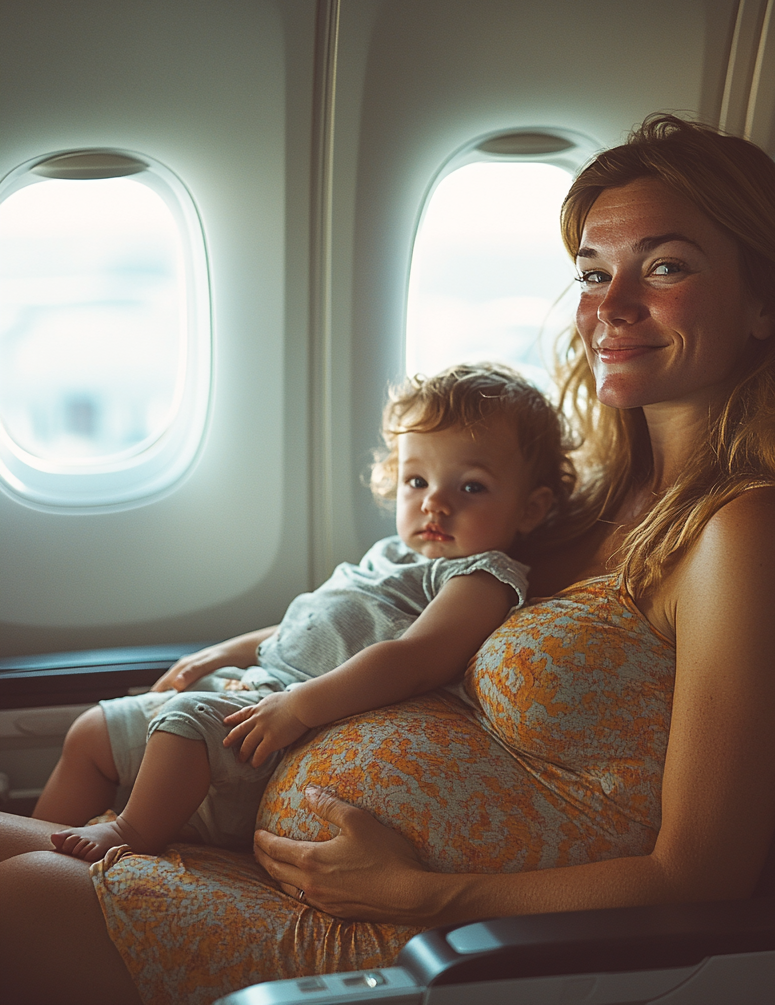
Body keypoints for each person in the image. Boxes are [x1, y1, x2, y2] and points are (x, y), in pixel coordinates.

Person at [0, 114, 775, 1005]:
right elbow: (391, 610)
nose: (609, 308)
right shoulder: (579, 505)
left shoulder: (753, 530)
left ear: (766, 302)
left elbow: (698, 876)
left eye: (667, 266)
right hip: (287, 859)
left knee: (14, 897)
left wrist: (427, 893)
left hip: (442, 941)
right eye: (594, 272)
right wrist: (242, 662)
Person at [33, 364, 570, 864]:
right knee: (90, 731)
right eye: (417, 481)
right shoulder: (394, 556)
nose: (434, 503)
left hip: (292, 730)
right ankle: (37, 841)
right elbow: (306, 625)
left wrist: (299, 707)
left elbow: (417, 658)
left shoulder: (480, 577)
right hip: (259, 687)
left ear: (531, 508)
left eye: (471, 487)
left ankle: (131, 835)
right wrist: (220, 652)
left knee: (184, 727)